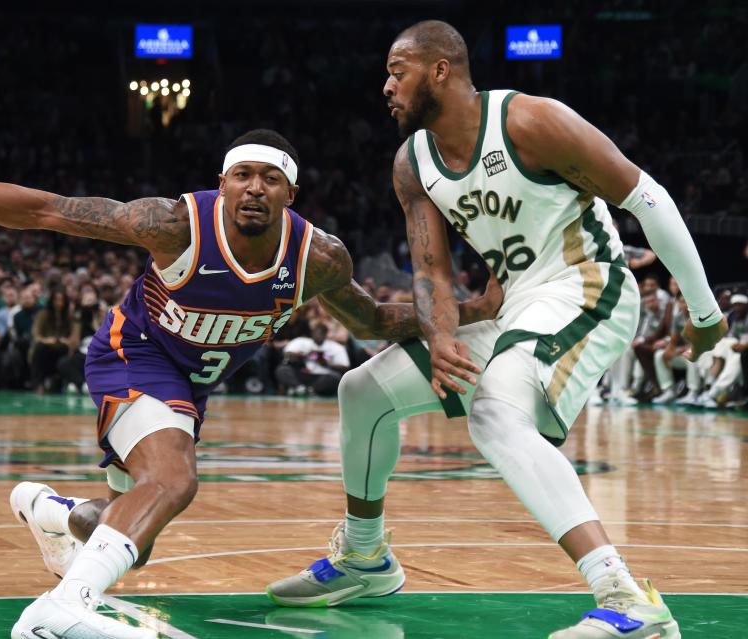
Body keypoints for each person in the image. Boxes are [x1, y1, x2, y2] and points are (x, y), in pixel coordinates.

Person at [0, 128, 504, 639]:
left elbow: (372, 320)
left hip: (188, 389)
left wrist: (471, 311)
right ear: (221, 183)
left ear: (292, 194)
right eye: (242, 175)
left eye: (271, 178)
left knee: (127, 530)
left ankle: (53, 512)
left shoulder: (318, 259)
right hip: (130, 355)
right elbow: (47, 210)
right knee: (173, 480)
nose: (255, 187)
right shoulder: (173, 224)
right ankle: (61, 609)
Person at [266, 22, 726, 639]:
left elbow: (648, 199)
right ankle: (367, 558)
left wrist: (703, 312)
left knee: (493, 414)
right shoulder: (412, 162)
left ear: (440, 71)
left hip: (587, 288)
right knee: (363, 392)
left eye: (396, 70)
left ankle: (626, 598)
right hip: (515, 308)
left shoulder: (530, 121)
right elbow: (431, 271)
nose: (386, 86)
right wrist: (442, 334)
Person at [275, 322, 351, 396]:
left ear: (325, 334)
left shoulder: (335, 347)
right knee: (282, 370)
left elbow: (345, 367)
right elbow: (286, 353)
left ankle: (308, 390)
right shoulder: (301, 341)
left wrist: (327, 364)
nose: (318, 335)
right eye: (316, 332)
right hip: (302, 374)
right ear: (312, 332)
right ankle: (299, 388)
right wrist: (304, 355)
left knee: (335, 378)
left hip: (322, 376)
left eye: (321, 333)